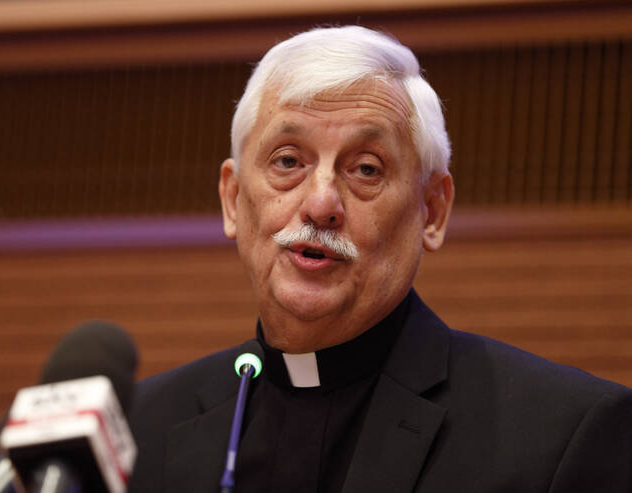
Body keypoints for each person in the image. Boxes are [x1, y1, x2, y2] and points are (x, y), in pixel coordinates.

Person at [128, 26, 632, 492]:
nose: (321, 203)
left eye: (366, 169)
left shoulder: (563, 434)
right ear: (232, 198)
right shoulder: (137, 433)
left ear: (432, 211)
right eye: (288, 161)